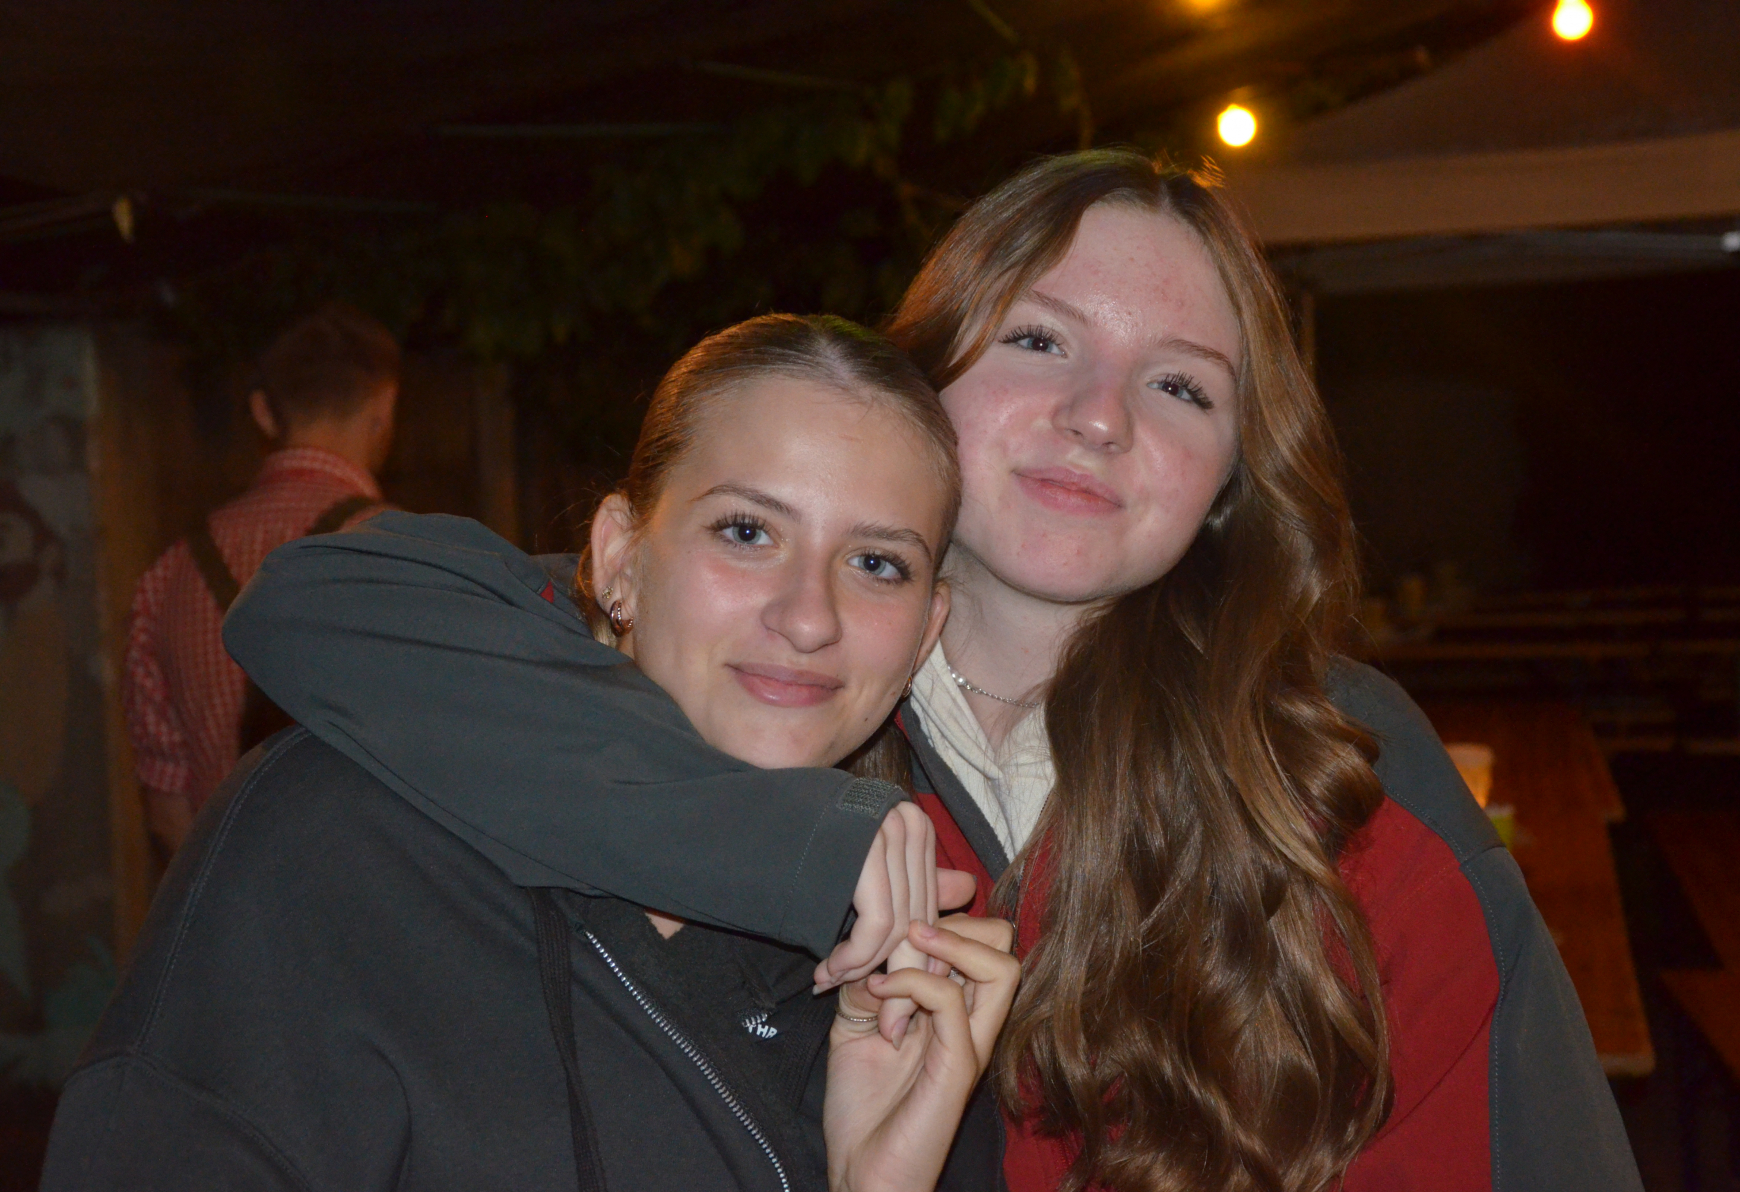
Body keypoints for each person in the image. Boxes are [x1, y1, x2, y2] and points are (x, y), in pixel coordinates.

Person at [212, 151, 1641, 1191]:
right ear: (924, 383)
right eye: (1039, 339)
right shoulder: (753, 677)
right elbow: (328, 603)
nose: (1097, 417)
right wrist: (788, 837)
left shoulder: (1338, 779)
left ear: (1225, 481)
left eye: (1180, 384)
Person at [43, 315, 1019, 1191]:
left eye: (876, 562)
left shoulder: (911, 975)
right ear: (621, 556)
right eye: (747, 530)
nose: (809, 617)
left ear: (927, 628)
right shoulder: (328, 837)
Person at [123, 303, 400, 854]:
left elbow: (169, 815)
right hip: (374, 892)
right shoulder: (405, 553)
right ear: (383, 409)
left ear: (263, 413)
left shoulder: (170, 574)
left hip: (231, 894)